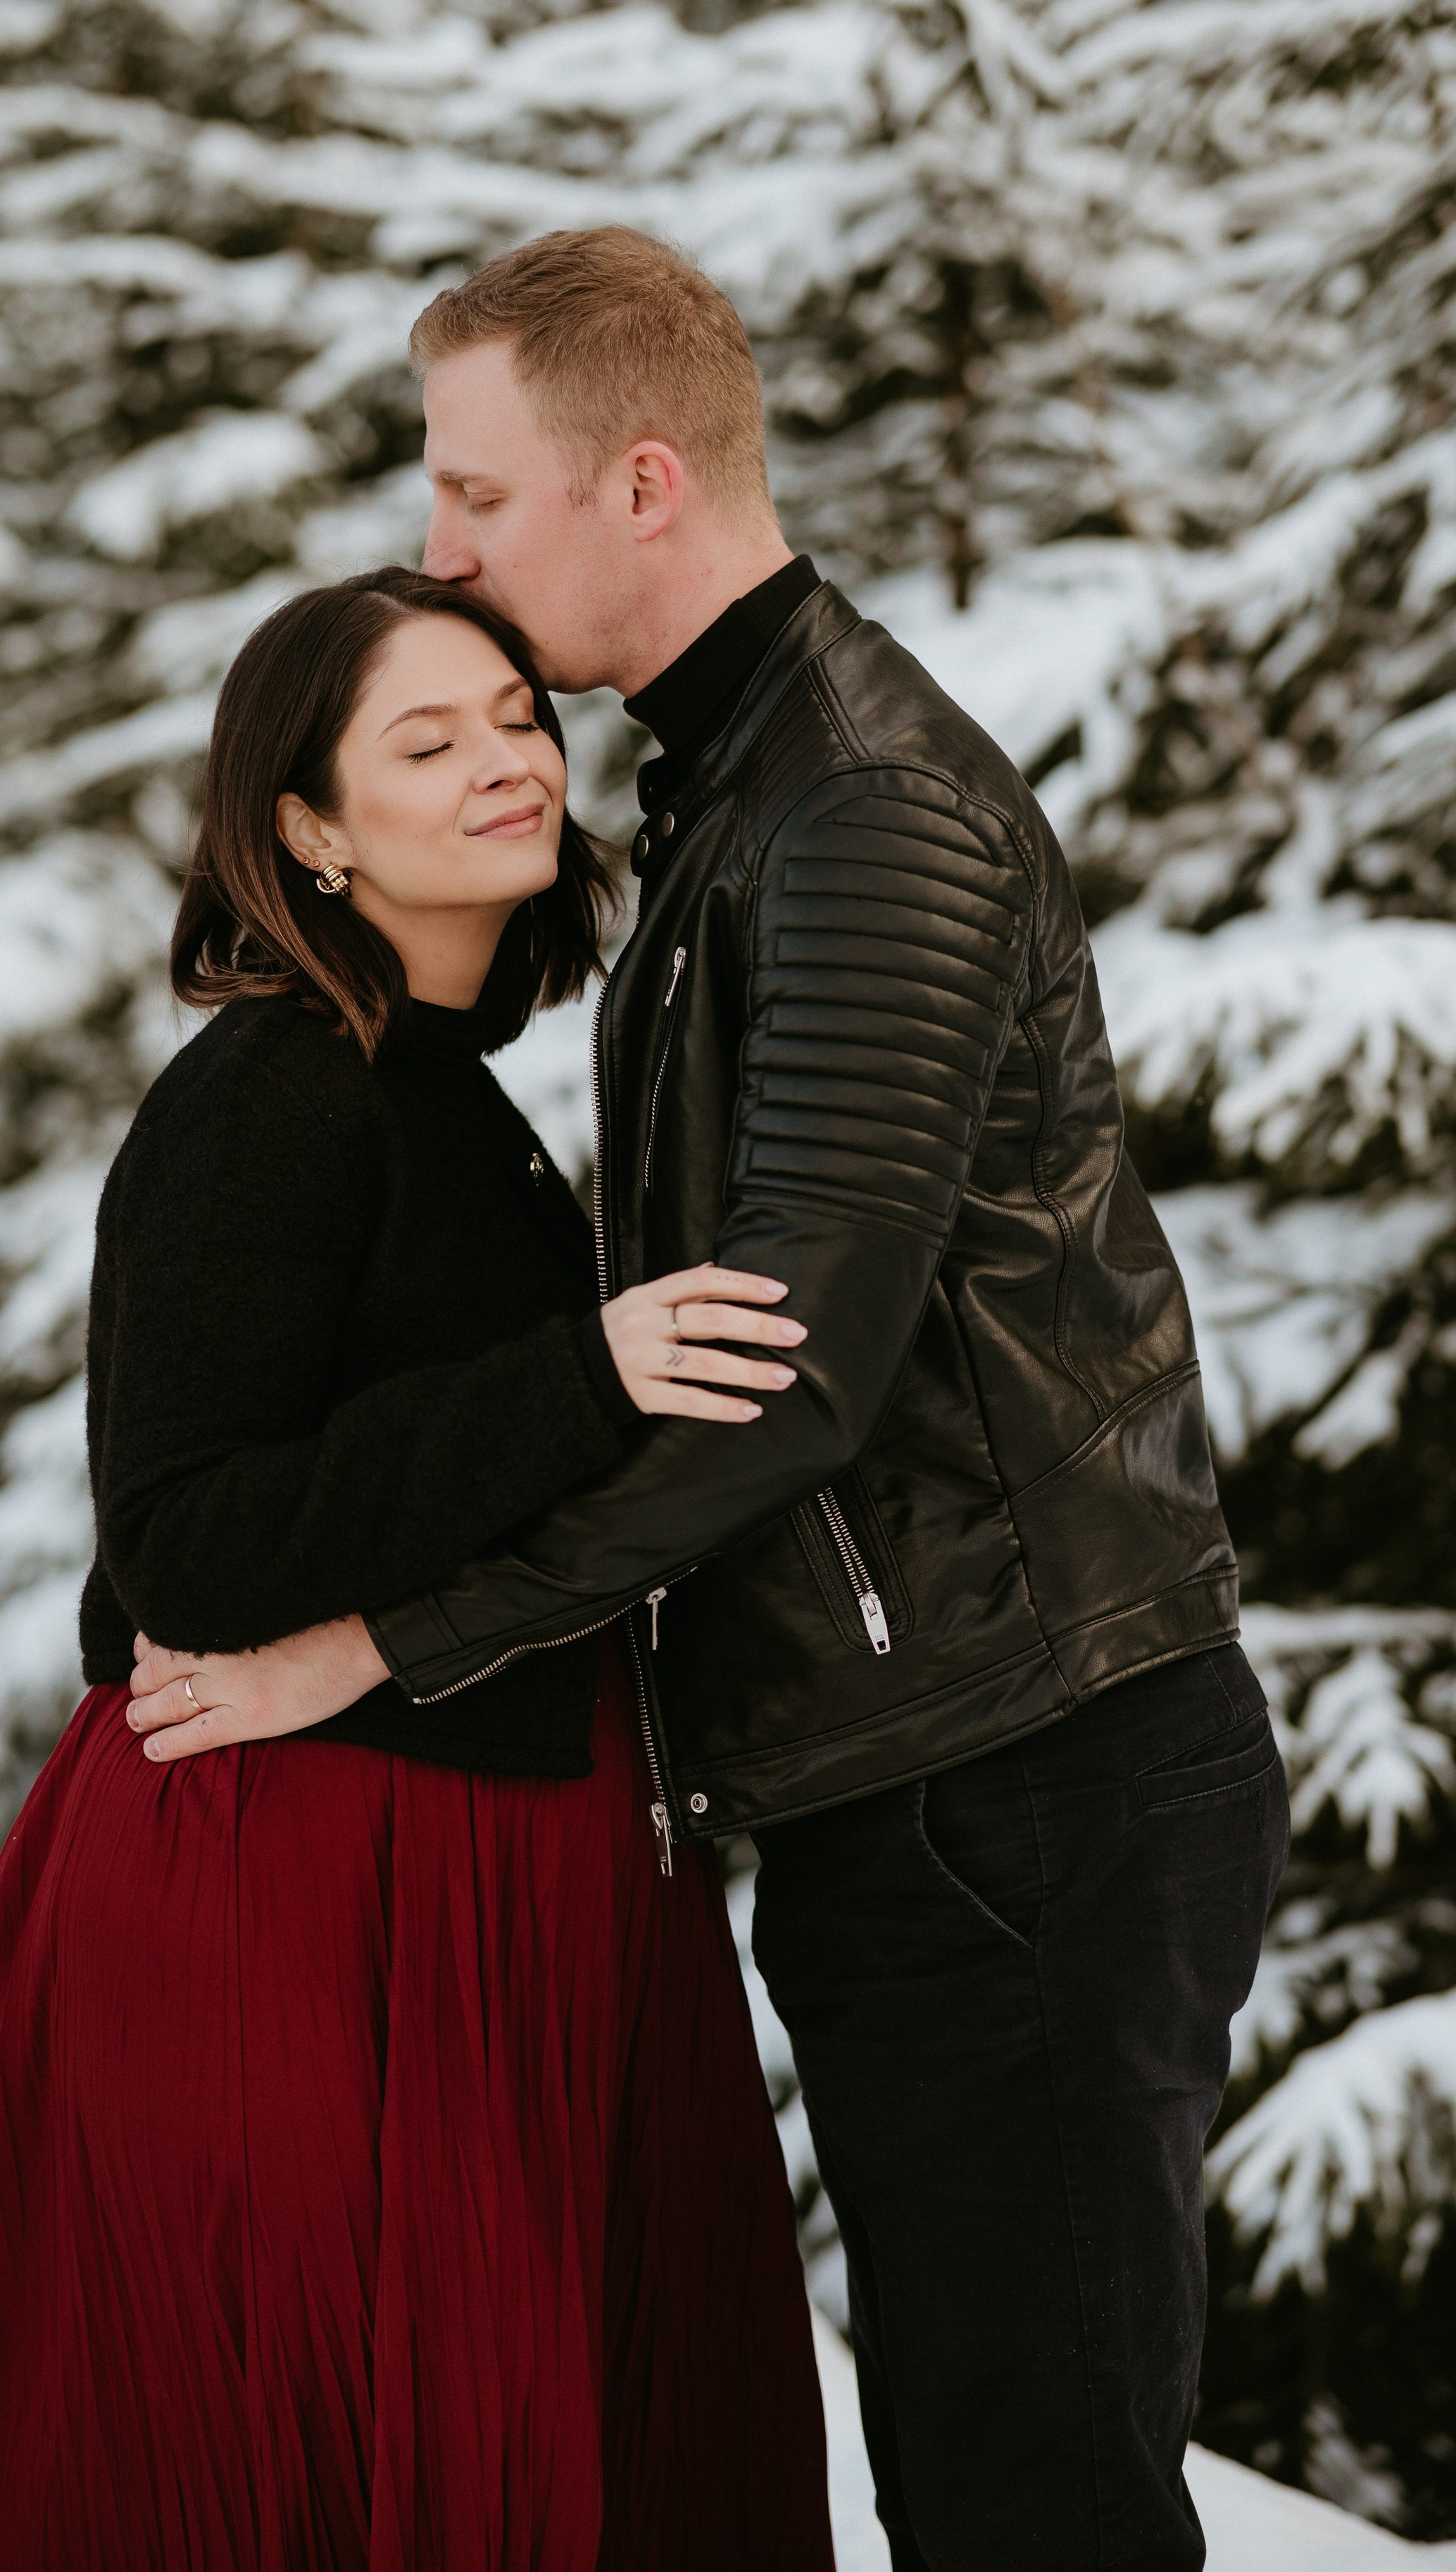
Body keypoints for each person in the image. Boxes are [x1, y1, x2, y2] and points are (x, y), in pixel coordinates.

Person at [136, 231, 1291, 2572]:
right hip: (950, 1769)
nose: (437, 552)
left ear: (638, 481)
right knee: (996, 2472)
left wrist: (386, 1647)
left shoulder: (854, 809)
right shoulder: (742, 785)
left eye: (474, 495)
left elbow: (792, 1386)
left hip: (1020, 1774)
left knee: (1033, 2502)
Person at [0, 567, 836, 2572]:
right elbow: (187, 1538)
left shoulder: (442, 1096)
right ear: (305, 828)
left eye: (513, 716)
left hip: (466, 1847)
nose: (505, 759)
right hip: (309, 1877)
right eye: (427, 740)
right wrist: (583, 1372)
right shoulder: (274, 1093)